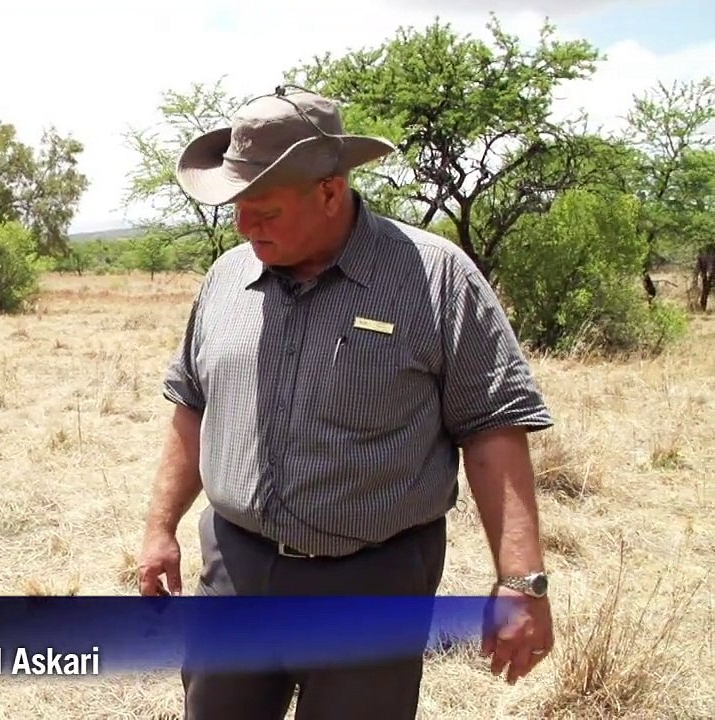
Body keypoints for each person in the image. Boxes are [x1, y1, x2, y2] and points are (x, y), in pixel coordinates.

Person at [136, 85, 556, 719]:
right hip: (236, 573)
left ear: (330, 191)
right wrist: (159, 527)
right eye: (237, 211)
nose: (245, 227)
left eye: (266, 211)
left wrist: (521, 583)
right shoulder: (226, 279)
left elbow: (493, 428)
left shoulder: (436, 278)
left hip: (372, 587)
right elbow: (193, 405)